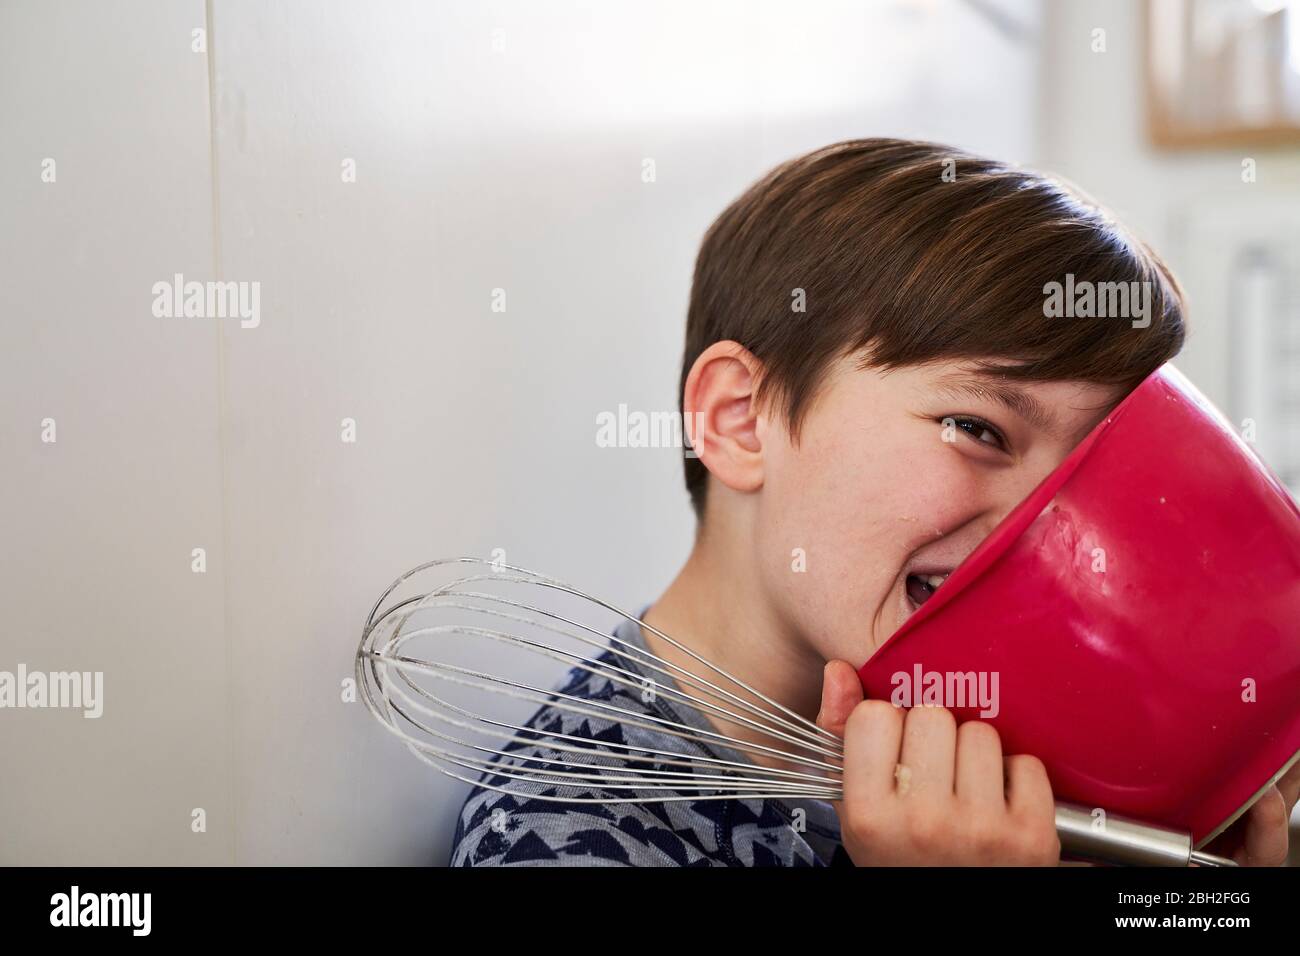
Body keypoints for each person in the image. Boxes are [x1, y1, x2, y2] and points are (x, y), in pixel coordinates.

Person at [450, 138, 1298, 866]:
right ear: (740, 422)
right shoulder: (565, 834)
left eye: (1088, 471)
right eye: (979, 428)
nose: (1046, 525)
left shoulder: (1023, 761)